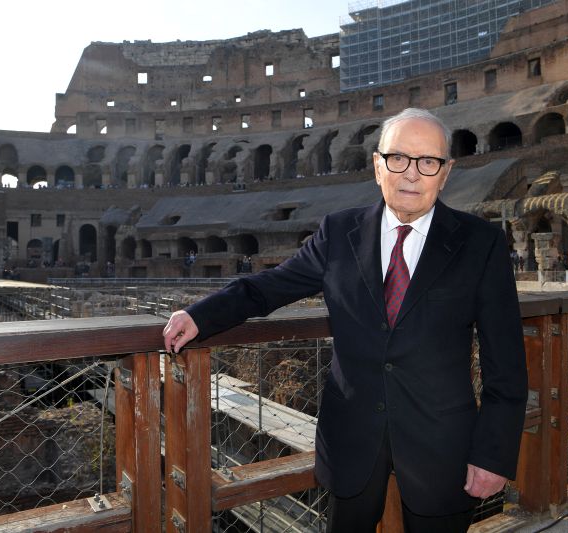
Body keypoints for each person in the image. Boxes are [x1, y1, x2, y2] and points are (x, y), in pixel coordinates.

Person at [163, 108, 527, 532]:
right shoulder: (338, 231)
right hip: (351, 438)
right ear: (377, 166)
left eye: (428, 161)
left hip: (443, 443)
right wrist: (200, 314)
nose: (412, 174)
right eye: (398, 158)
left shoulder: (481, 243)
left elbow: (506, 363)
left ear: (445, 173)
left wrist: (493, 454)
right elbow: (270, 286)